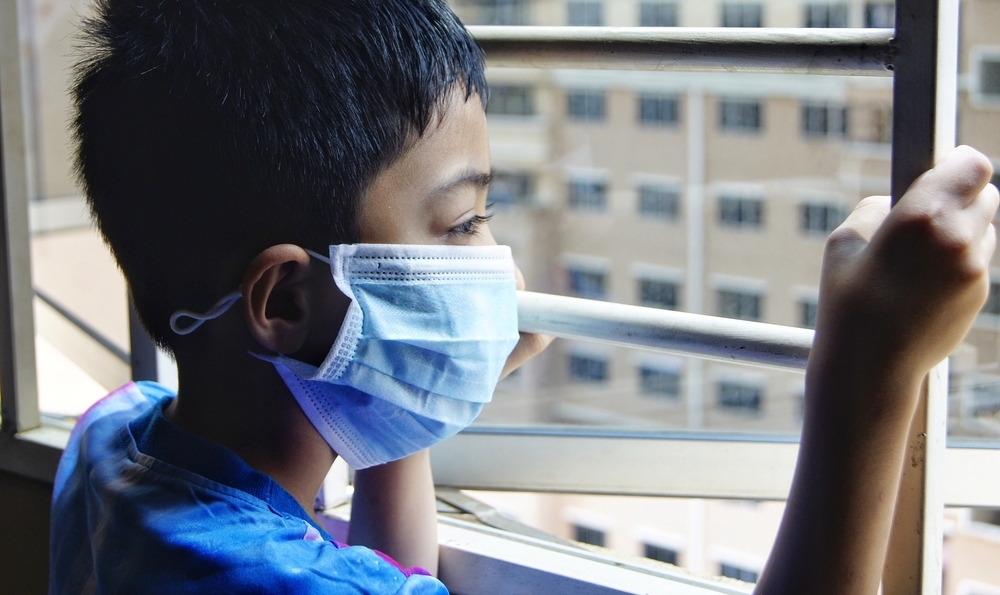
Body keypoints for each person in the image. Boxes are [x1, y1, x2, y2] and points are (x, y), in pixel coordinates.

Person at [48, 0, 997, 594]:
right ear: (285, 300)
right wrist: (870, 366)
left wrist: (401, 391)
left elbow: (394, 575)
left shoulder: (112, 443)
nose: (498, 266)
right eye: (463, 225)